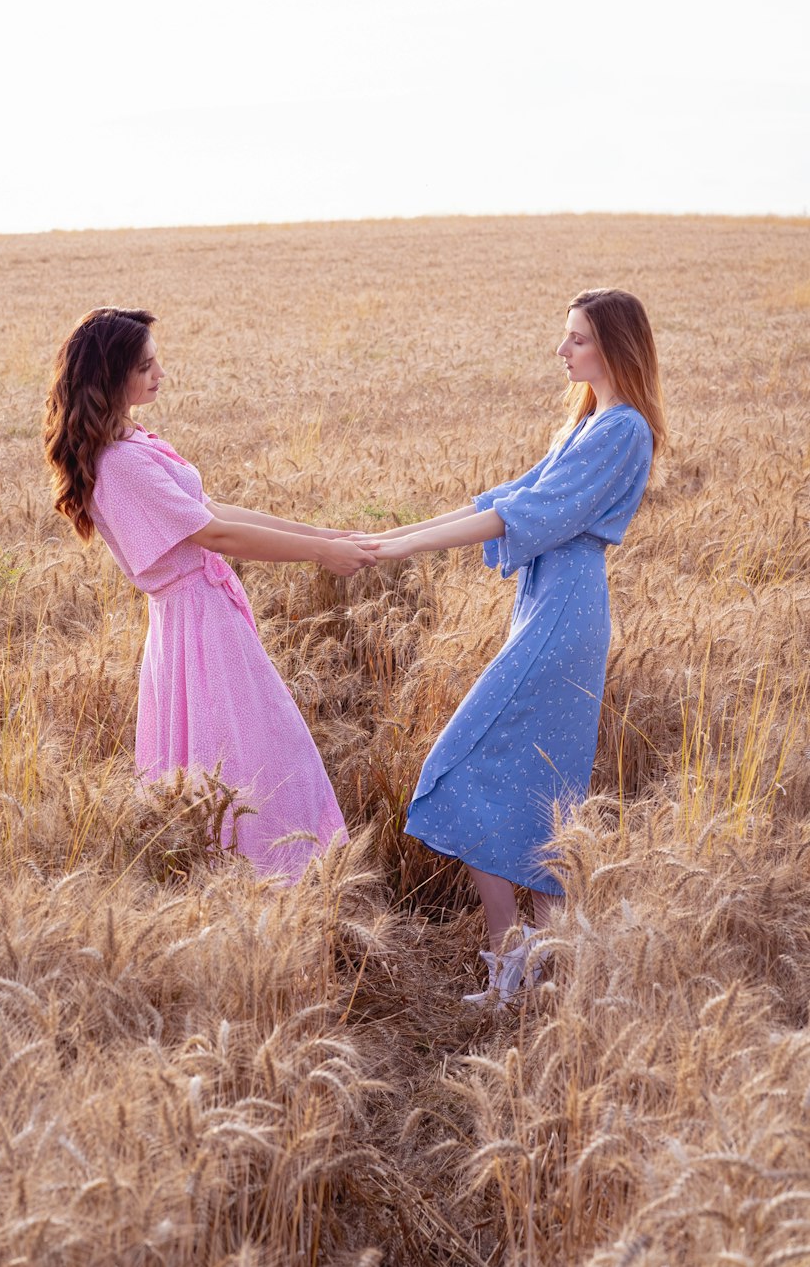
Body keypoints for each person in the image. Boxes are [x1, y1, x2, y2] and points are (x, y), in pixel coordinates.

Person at [371, 288, 666, 1001]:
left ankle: (512, 959)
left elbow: (523, 514)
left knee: (462, 762)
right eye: (566, 337)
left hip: (564, 612)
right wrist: (394, 539)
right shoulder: (585, 424)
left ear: (615, 347)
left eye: (577, 339)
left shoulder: (624, 430)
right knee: (540, 787)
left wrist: (400, 548)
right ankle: (535, 966)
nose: (562, 351)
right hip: (546, 603)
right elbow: (505, 496)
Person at [44, 306, 377, 881]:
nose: (160, 374)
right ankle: (272, 878)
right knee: (252, 751)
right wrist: (320, 554)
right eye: (145, 366)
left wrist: (320, 535)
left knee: (241, 749)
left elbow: (211, 512)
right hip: (197, 626)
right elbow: (212, 533)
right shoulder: (120, 463)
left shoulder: (133, 442)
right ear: (110, 374)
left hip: (198, 617)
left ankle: (265, 878)